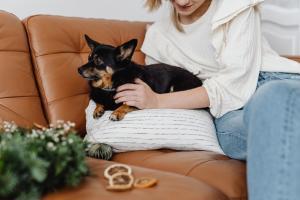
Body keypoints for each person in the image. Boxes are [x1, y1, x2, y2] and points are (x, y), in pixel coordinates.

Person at [113, 0, 300, 199]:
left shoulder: (235, 7)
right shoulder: (158, 37)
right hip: (225, 113)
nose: (183, 1)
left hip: (271, 83)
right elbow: (163, 89)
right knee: (236, 138)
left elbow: (233, 85)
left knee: (272, 101)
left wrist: (157, 101)